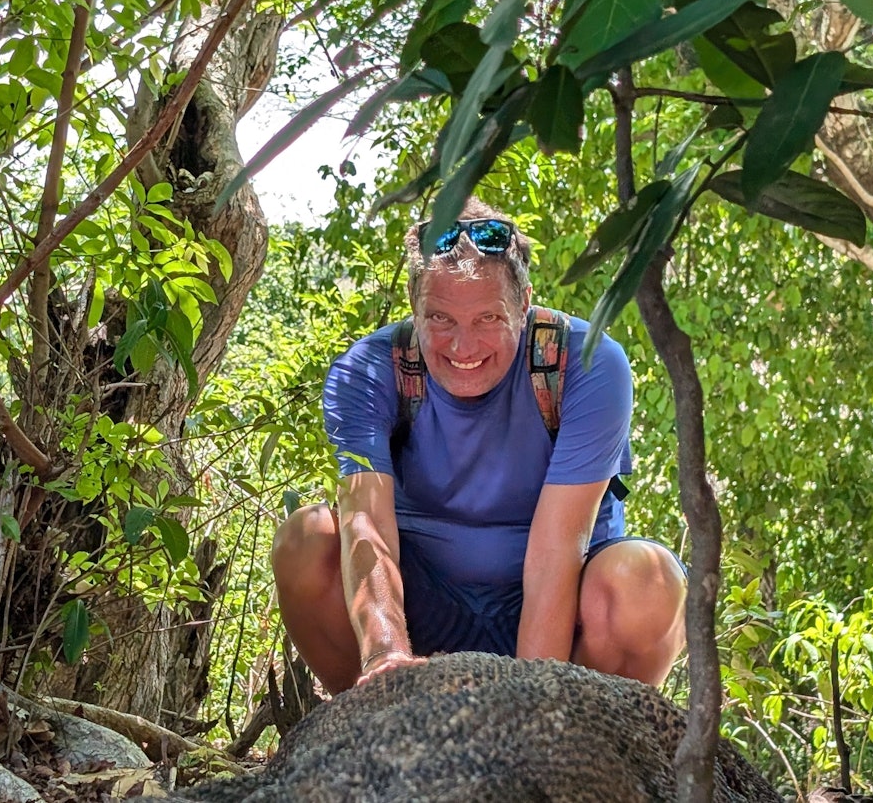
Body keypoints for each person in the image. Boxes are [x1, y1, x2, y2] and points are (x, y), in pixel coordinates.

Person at [272, 199, 687, 694]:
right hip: (424, 604)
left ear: (524, 303)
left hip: (560, 603)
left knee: (646, 583)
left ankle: (581, 726)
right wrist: (387, 653)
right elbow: (367, 524)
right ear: (413, 306)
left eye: (488, 318)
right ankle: (372, 714)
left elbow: (557, 549)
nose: (462, 346)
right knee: (304, 540)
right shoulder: (368, 370)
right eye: (440, 318)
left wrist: (524, 701)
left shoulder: (585, 363)